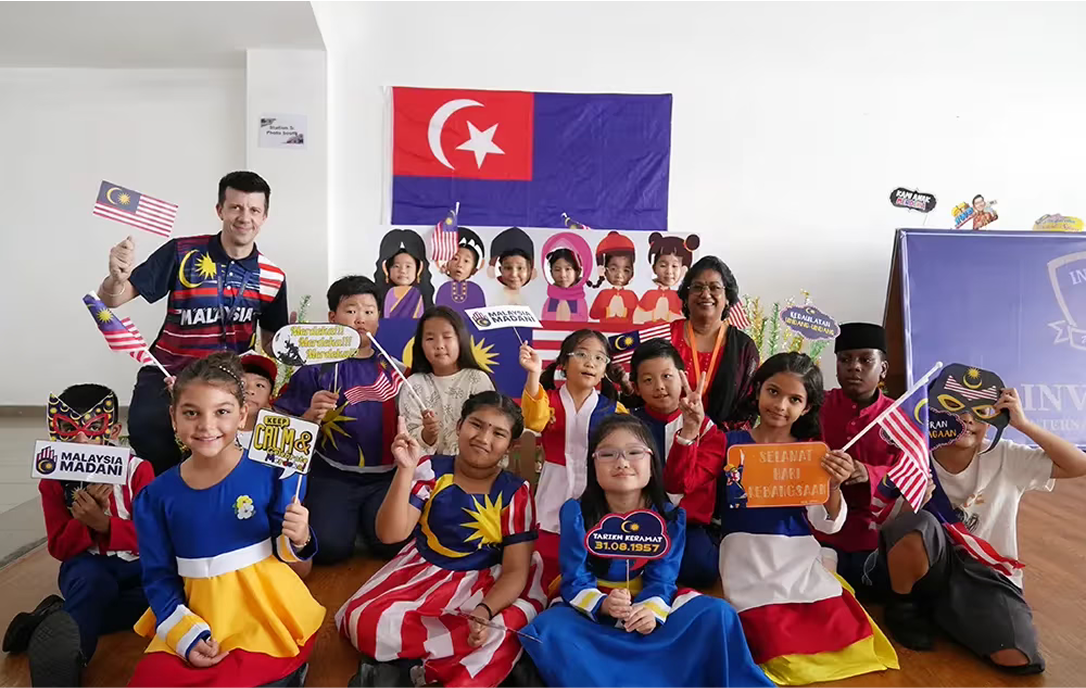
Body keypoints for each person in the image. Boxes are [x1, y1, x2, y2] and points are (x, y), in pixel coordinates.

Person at [669, 353, 899, 684]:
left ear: (806, 408)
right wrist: (690, 430)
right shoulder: (727, 443)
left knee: (845, 642)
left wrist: (832, 486)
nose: (780, 405)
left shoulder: (812, 453)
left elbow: (826, 523)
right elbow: (679, 487)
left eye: (794, 399)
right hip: (745, 561)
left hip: (798, 559)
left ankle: (825, 570)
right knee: (775, 653)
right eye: (773, 392)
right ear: (758, 389)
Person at [521, 415, 773, 688]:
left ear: (651, 463)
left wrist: (650, 612)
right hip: (593, 614)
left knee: (717, 614)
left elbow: (663, 579)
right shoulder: (576, 513)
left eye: (634, 452)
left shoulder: (669, 516)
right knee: (550, 629)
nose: (622, 462)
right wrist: (604, 605)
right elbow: (575, 577)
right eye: (608, 454)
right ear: (592, 464)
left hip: (650, 610)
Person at [128, 353, 324, 688]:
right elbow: (158, 575)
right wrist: (187, 635)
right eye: (192, 413)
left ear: (242, 414)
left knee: (240, 678)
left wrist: (300, 536)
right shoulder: (155, 497)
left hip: (263, 613)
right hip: (198, 615)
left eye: (222, 412)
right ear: (173, 417)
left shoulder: (272, 473)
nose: (206, 425)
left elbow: (287, 551)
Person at [336, 392, 546, 688]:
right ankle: (432, 666)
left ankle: (415, 671)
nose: (483, 438)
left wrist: (484, 611)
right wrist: (406, 471)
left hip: (490, 579)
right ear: (459, 425)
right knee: (363, 621)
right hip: (425, 571)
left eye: (498, 433)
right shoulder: (431, 470)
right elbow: (390, 534)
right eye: (476, 424)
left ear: (510, 446)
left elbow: (515, 571)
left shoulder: (515, 492)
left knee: (500, 629)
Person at [876, 388, 1086, 674]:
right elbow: (890, 530)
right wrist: (915, 504)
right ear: (935, 414)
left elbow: (1078, 465)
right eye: (954, 407)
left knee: (1017, 657)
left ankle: (947, 612)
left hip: (987, 576)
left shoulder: (1006, 455)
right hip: (932, 567)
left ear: (993, 419)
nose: (966, 418)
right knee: (918, 525)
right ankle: (904, 606)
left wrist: (1023, 424)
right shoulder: (916, 457)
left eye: (979, 410)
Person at [97, 171, 288, 475]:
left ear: (265, 216)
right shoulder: (182, 252)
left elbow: (270, 341)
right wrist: (115, 279)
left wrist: (292, 341)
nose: (244, 217)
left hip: (226, 380)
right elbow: (112, 300)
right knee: (148, 433)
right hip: (165, 372)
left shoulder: (272, 277)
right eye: (235, 207)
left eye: (254, 210)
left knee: (221, 454)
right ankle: (159, 506)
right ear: (220, 210)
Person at [3, 385, 152, 688]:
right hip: (88, 566)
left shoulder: (138, 471)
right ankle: (67, 662)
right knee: (92, 585)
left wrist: (105, 524)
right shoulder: (53, 480)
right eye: (69, 430)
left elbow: (153, 537)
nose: (82, 439)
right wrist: (83, 522)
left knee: (162, 599)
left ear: (113, 429)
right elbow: (60, 547)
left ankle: (54, 618)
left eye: (93, 428)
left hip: (139, 566)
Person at [274, 276, 402, 564]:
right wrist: (309, 416)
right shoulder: (314, 371)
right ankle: (347, 525)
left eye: (369, 312)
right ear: (333, 317)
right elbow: (282, 431)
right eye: (351, 310)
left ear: (379, 319)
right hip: (332, 475)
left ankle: (361, 524)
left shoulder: (397, 370)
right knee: (329, 549)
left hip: (385, 479)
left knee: (391, 545)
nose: (361, 319)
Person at [519, 331, 627, 587]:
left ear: (605, 370)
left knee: (592, 553)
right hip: (553, 489)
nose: (590, 362)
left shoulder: (613, 409)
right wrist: (534, 373)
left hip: (597, 491)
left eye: (599, 358)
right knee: (546, 557)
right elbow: (533, 421)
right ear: (563, 364)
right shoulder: (548, 400)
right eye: (581, 354)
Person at [629, 339, 721, 588]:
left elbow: (679, 486)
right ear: (635, 387)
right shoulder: (626, 425)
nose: (659, 387)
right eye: (648, 380)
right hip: (635, 522)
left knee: (699, 570)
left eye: (667, 376)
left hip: (688, 525)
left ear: (682, 377)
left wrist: (690, 432)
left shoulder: (710, 432)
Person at [816, 323, 901, 589]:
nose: (854, 367)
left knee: (875, 584)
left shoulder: (901, 416)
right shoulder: (817, 406)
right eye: (845, 359)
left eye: (866, 360)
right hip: (819, 524)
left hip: (873, 530)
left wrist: (869, 473)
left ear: (882, 369)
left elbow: (915, 473)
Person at [669, 256, 759, 431]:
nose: (705, 294)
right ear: (686, 297)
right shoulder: (666, 336)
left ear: (727, 298)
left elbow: (750, 406)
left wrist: (716, 438)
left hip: (723, 444)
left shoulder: (743, 348)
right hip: (667, 437)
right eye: (697, 287)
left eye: (714, 287)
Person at [399, 307, 494, 456]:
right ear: (420, 345)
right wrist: (428, 434)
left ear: (460, 339)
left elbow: (488, 428)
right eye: (430, 339)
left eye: (447, 336)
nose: (439, 345)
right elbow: (410, 439)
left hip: (472, 467)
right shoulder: (413, 384)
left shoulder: (477, 379)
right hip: (428, 471)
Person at [634, 232, 698, 324]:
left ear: (684, 270)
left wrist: (670, 316)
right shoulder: (649, 295)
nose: (669, 271)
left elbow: (689, 320)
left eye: (674, 266)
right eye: (663, 265)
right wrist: (652, 315)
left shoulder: (682, 297)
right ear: (654, 268)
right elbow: (636, 318)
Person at [588, 232, 638, 325]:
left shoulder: (631, 295)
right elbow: (593, 314)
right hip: (604, 333)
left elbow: (638, 315)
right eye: (613, 269)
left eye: (626, 270)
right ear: (604, 269)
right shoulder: (603, 294)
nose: (619, 275)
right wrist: (608, 311)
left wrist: (624, 312)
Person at [435, 228, 487, 312]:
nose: (460, 265)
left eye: (466, 261)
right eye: (455, 259)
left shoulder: (475, 290)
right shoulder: (443, 288)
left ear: (475, 267)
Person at [238, 353, 278, 449]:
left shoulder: (279, 437)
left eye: (259, 385)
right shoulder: (215, 430)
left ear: (270, 397)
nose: (249, 390)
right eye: (241, 383)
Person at [488, 227, 536, 306]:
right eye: (508, 268)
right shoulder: (493, 299)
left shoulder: (536, 300)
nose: (514, 274)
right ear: (500, 270)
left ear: (530, 270)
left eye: (520, 268)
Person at [382, 248, 425, 319]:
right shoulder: (391, 292)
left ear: (417, 270)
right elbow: (386, 317)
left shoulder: (416, 293)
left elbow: (420, 318)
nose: (402, 271)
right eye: (396, 266)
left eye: (408, 266)